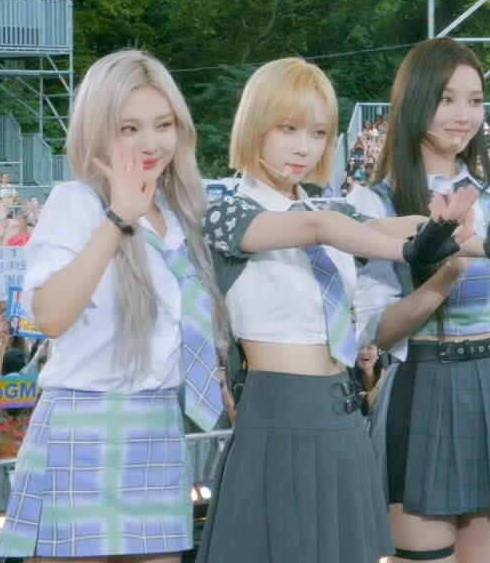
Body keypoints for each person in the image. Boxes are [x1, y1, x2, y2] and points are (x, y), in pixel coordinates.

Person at [196, 58, 468, 563]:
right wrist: (412, 248)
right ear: (255, 125)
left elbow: (382, 226)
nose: (304, 147)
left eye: (319, 133)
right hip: (278, 415)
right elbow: (319, 229)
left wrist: (462, 231)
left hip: (343, 413)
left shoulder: (331, 211)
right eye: (288, 128)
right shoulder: (227, 212)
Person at [0, 51, 224, 562]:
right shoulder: (77, 202)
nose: (150, 143)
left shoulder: (183, 213)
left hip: (160, 426)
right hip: (84, 422)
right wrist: (118, 218)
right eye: (129, 128)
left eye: (163, 124)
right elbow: (50, 316)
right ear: (98, 132)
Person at [347, 38, 490, 562]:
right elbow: (377, 332)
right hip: (421, 386)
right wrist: (447, 273)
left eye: (475, 100)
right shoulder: (375, 202)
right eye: (447, 99)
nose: (464, 115)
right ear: (415, 101)